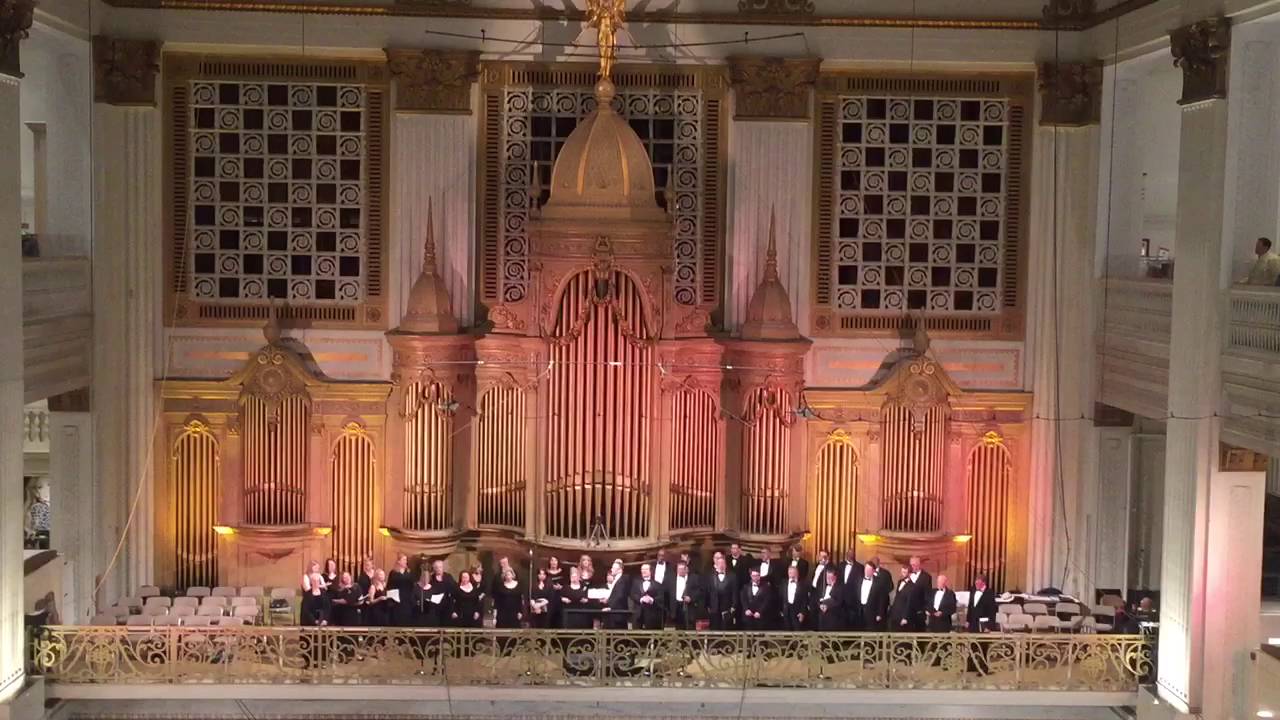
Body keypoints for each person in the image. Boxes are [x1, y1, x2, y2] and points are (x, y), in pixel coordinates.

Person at [856, 561, 891, 631]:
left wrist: (879, 613)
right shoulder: (859, 579)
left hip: (872, 612)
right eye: (866, 569)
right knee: (859, 630)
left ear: (873, 571)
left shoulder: (879, 583)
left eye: (869, 570)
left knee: (870, 631)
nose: (867, 571)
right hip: (859, 611)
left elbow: (882, 599)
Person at [630, 563, 665, 630]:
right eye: (642, 569)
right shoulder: (635, 582)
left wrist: (651, 600)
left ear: (650, 571)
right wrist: (641, 599)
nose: (643, 571)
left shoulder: (658, 584)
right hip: (638, 615)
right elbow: (632, 594)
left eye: (646, 569)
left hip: (652, 616)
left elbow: (661, 597)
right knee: (637, 637)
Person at [707, 556, 737, 631]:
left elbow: (735, 592)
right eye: (719, 563)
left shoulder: (732, 576)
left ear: (726, 565)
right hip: (714, 609)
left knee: (727, 629)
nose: (721, 565)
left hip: (727, 608)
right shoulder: (711, 576)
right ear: (716, 565)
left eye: (722, 563)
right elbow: (708, 592)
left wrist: (733, 606)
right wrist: (708, 606)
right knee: (714, 629)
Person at [670, 560, 702, 630]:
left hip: (689, 607)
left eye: (682, 569)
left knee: (690, 628)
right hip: (677, 607)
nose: (680, 571)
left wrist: (691, 598)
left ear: (686, 569)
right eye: (679, 569)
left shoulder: (694, 578)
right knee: (679, 629)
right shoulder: (672, 578)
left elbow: (699, 591)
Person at [388, 554, 415, 626]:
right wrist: (391, 600)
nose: (406, 561)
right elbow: (390, 586)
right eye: (404, 560)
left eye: (406, 560)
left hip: (407, 600)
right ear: (399, 561)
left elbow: (412, 586)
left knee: (407, 619)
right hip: (397, 600)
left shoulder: (409, 572)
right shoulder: (393, 572)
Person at [908, 556, 933, 631]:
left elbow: (928, 594)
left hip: (920, 611)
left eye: (914, 565)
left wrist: (926, 609)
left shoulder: (926, 577)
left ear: (919, 565)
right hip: (908, 610)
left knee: (920, 632)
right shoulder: (908, 575)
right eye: (911, 565)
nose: (913, 567)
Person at [780, 564, 808, 632]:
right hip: (786, 610)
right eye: (790, 573)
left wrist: (802, 612)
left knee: (797, 631)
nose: (791, 575)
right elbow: (780, 597)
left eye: (793, 573)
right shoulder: (783, 583)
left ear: (797, 573)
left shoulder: (803, 584)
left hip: (797, 611)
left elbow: (805, 600)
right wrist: (781, 610)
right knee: (787, 631)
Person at [887, 566, 915, 631]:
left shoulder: (912, 587)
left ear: (910, 574)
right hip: (895, 614)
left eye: (904, 572)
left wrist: (905, 617)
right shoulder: (900, 582)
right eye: (902, 572)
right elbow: (898, 597)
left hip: (903, 616)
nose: (902, 574)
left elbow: (909, 603)